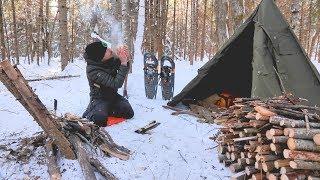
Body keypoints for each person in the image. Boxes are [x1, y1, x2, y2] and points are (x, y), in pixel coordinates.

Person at [82, 41, 134, 126]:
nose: (110, 50)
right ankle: (92, 111)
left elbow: (124, 69)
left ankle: (107, 109)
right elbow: (116, 83)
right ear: (100, 57)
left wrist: (125, 58)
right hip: (99, 98)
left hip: (113, 96)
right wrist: (123, 63)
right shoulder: (92, 70)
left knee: (129, 113)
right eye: (106, 50)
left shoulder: (110, 59)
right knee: (99, 120)